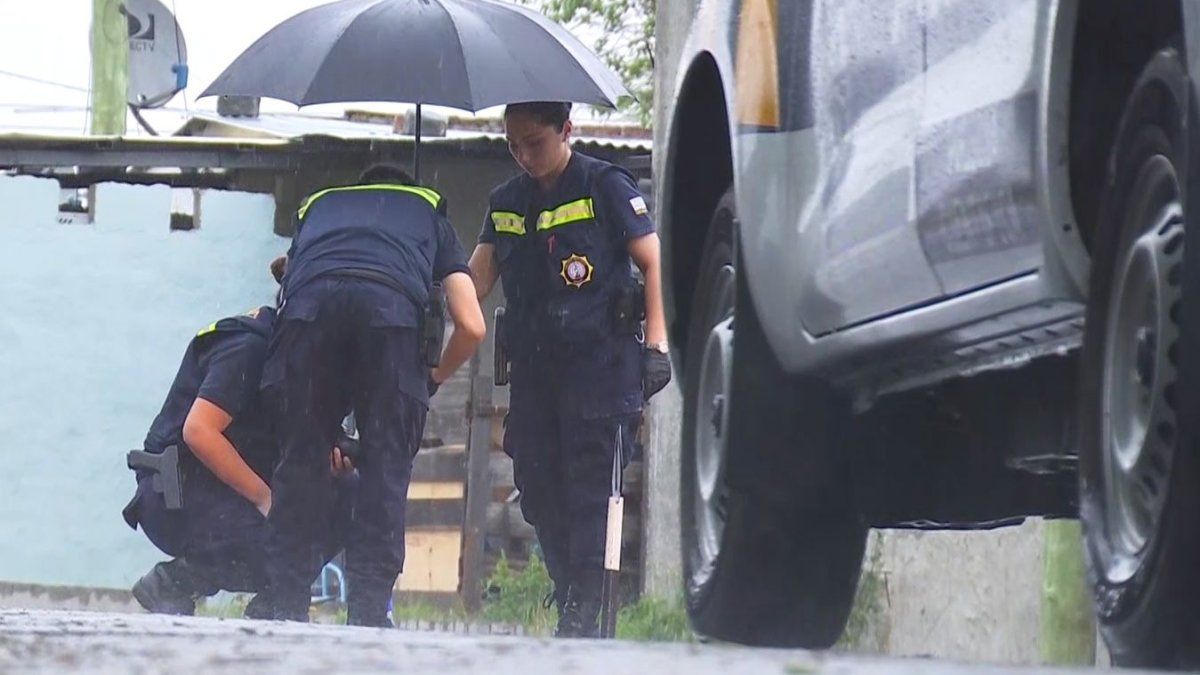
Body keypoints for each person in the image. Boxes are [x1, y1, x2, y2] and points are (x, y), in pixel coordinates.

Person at [468, 101, 672, 637]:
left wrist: (657, 345)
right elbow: (476, 281)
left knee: (589, 493)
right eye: (513, 145)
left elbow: (653, 261)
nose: (523, 155)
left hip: (600, 370)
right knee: (537, 485)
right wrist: (428, 277)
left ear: (566, 130)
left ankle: (585, 609)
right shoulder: (505, 202)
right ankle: (570, 594)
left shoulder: (604, 185)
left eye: (534, 142)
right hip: (536, 376)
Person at [250, 165, 485, 627]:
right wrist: (432, 378)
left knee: (299, 462)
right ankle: (369, 612)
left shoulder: (319, 207)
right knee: (385, 469)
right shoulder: (427, 212)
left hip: (307, 320)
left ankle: (285, 602)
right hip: (390, 322)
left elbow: (286, 274)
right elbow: (473, 325)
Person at [122, 301, 357, 615]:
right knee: (284, 529)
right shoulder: (250, 347)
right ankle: (176, 581)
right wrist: (266, 500)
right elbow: (199, 431)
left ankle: (276, 600)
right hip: (175, 493)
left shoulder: (294, 360)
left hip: (222, 494)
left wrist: (328, 462)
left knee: (348, 494)